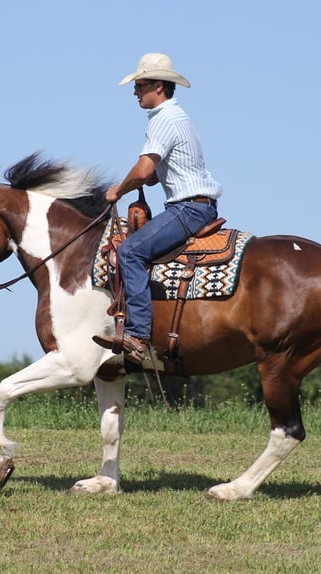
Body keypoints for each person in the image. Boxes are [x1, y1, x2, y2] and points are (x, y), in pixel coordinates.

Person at [93, 53, 222, 364]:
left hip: (188, 208)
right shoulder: (180, 118)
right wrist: (152, 176)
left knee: (130, 252)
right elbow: (156, 171)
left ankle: (137, 335)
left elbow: (141, 170)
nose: (135, 91)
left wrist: (116, 191)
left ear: (160, 87)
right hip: (198, 204)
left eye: (141, 84)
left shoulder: (163, 120)